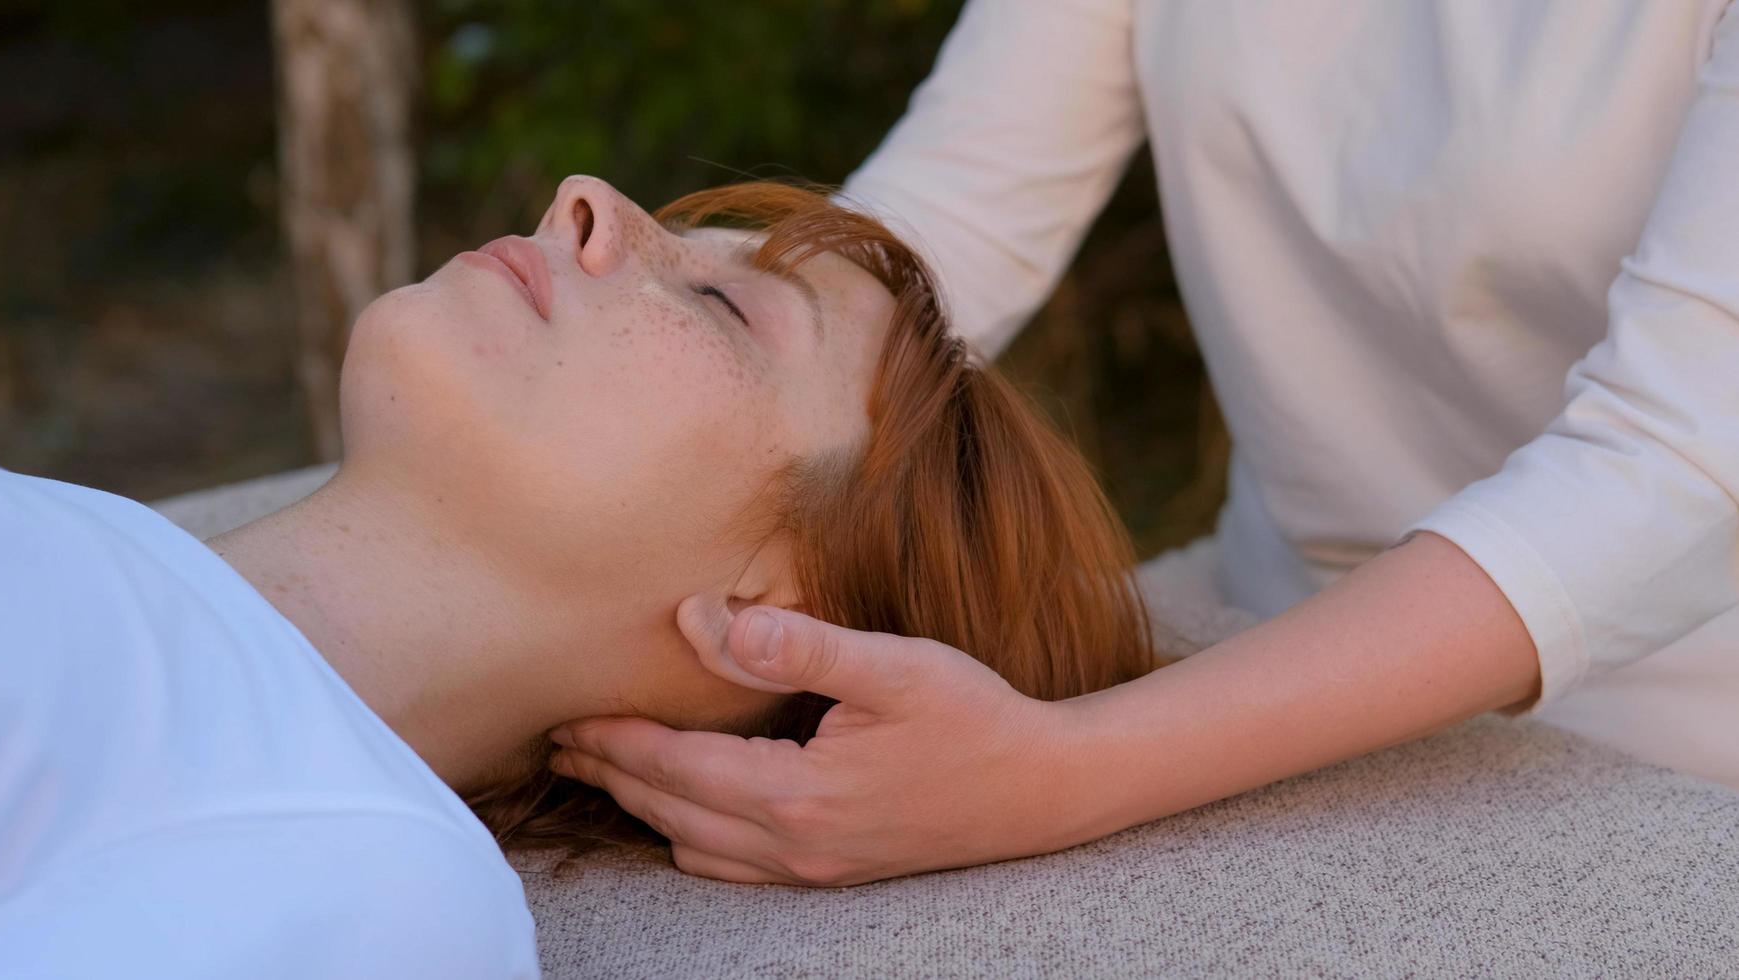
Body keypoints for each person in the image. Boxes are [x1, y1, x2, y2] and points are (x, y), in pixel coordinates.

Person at [549, 0, 1739, 886]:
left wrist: (1059, 771)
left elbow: (1674, 467)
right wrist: (635, 368)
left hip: (1668, 713)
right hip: (1258, 606)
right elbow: (943, 228)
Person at [0, 177, 1160, 976]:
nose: (583, 200)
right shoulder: (41, 538)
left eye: (723, 306)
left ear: (777, 621)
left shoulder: (376, 887)